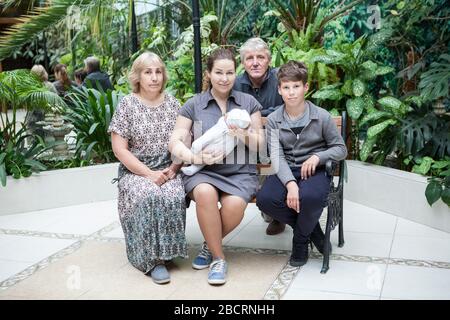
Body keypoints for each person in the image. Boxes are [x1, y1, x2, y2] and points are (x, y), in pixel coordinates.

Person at [169, 48, 264, 285]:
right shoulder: (194, 104)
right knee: (204, 193)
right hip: (203, 172)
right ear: (209, 74)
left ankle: (208, 246)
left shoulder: (248, 102)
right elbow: (175, 142)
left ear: (235, 73)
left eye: (229, 72)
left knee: (234, 208)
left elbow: (260, 144)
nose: (224, 78)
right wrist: (196, 157)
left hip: (239, 173)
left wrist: (242, 133)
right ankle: (219, 258)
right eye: (219, 72)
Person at [256, 60, 347, 267]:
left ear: (305, 87)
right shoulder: (273, 120)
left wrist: (318, 157)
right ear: (279, 90)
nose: (291, 92)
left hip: (314, 170)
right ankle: (312, 229)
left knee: (311, 196)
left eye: (296, 86)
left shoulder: (321, 117)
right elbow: (276, 156)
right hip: (286, 168)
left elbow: (341, 149)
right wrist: (290, 184)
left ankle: (300, 241)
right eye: (286, 87)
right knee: (265, 199)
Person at [108, 51, 188, 284]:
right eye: (148, 72)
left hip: (168, 168)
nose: (154, 77)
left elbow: (183, 141)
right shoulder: (127, 105)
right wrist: (149, 174)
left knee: (174, 195)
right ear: (138, 77)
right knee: (150, 195)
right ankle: (151, 260)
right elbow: (119, 150)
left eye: (158, 72)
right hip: (136, 171)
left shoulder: (174, 104)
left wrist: (173, 169)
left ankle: (169, 252)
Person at [233, 37, 286, 236]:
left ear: (269, 60)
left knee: (272, 158)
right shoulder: (236, 83)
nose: (255, 62)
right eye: (249, 58)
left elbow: (286, 108)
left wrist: (255, 114)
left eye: (260, 57)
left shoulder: (281, 77)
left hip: (278, 140)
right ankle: (271, 210)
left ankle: (275, 214)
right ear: (243, 62)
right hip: (245, 142)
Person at [26, 65, 57, 140]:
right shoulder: (50, 86)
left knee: (34, 145)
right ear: (44, 73)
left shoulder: (28, 87)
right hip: (48, 119)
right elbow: (56, 102)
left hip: (32, 120)